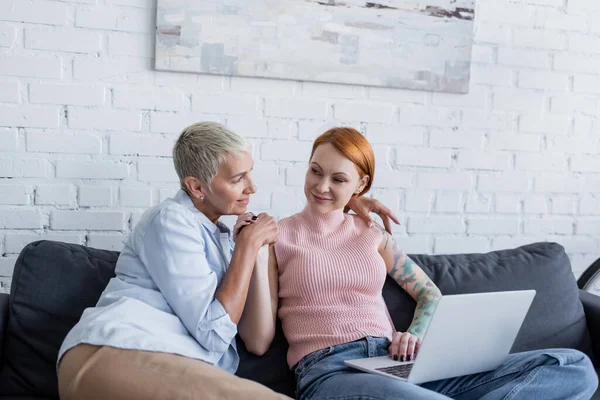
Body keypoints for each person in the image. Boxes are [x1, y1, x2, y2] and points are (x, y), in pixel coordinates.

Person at [245, 127, 598, 400]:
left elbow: (429, 294)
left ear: (360, 184)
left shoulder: (372, 234)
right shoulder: (279, 237)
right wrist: (257, 250)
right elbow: (259, 342)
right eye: (315, 171)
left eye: (338, 179)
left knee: (574, 367)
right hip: (329, 372)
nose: (321, 186)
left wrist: (413, 336)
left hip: (396, 365)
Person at [56, 122, 399, 400]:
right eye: (238, 179)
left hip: (178, 365)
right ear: (196, 187)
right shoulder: (170, 221)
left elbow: (250, 334)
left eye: (249, 173)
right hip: (115, 352)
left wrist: (350, 201)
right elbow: (213, 331)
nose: (252, 187)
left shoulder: (223, 237)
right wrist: (248, 247)